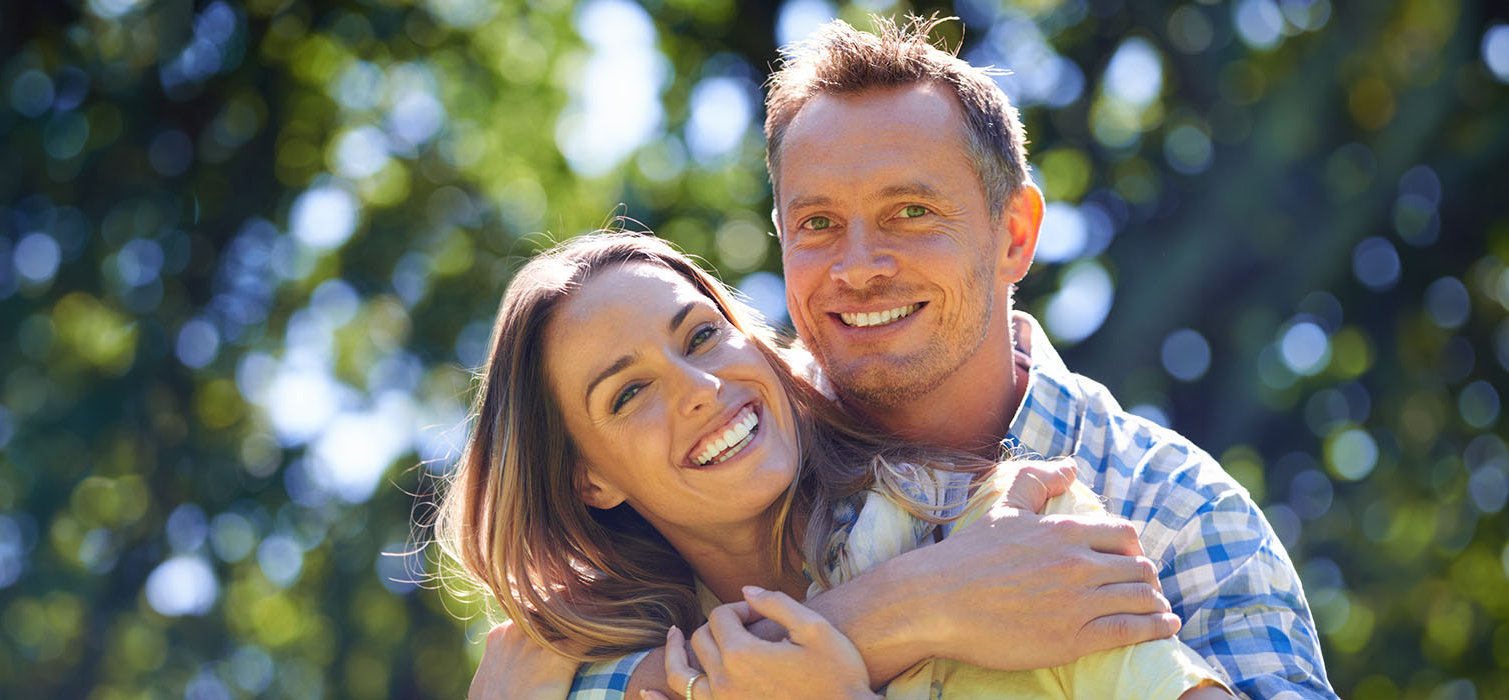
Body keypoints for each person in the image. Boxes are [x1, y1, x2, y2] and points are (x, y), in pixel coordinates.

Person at [489, 14, 1333, 700]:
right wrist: (922, 604)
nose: (858, 267)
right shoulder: (725, 486)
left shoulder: (1165, 511)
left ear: (1014, 235)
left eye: (909, 212)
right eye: (818, 224)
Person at [440, 232, 1233, 699]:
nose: (700, 389)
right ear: (590, 479)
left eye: (701, 336)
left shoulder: (1014, 534)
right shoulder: (581, 678)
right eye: (630, 392)